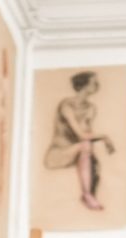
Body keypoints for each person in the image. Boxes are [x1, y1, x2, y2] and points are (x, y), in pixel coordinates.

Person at [43, 70, 116, 211]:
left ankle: (88, 195)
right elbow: (81, 135)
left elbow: (86, 134)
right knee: (85, 145)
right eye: (94, 82)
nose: (97, 85)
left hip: (76, 152)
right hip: (58, 154)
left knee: (90, 152)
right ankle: (87, 195)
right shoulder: (66, 105)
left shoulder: (91, 108)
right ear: (84, 85)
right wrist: (104, 137)